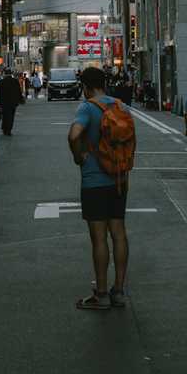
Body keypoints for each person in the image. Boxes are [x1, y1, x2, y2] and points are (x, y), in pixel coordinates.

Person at [67, 67, 129, 310]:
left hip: (95, 180)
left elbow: (74, 135)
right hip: (119, 178)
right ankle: (119, 291)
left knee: (99, 237)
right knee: (119, 233)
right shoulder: (120, 105)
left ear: (86, 86)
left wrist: (78, 156)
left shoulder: (88, 107)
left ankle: (101, 294)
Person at [0, 67, 24, 136]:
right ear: (11, 73)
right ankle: (9, 130)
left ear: (4, 73)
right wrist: (20, 99)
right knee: (11, 116)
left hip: (4, 102)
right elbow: (18, 91)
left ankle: (4, 129)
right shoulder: (15, 81)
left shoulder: (1, 82)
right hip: (13, 102)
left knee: (5, 115)